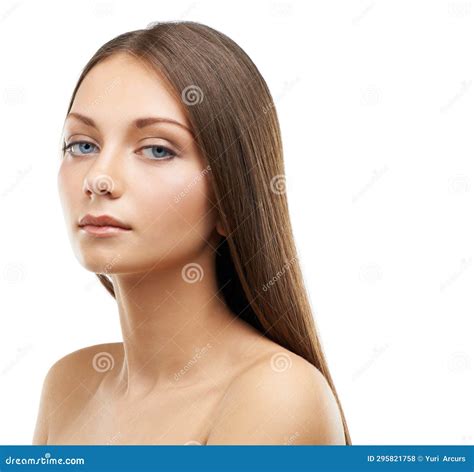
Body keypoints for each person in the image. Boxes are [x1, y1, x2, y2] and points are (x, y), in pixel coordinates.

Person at [32, 21, 351, 445]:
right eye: (82, 145)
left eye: (157, 149)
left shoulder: (275, 394)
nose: (99, 178)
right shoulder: (68, 387)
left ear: (229, 198)